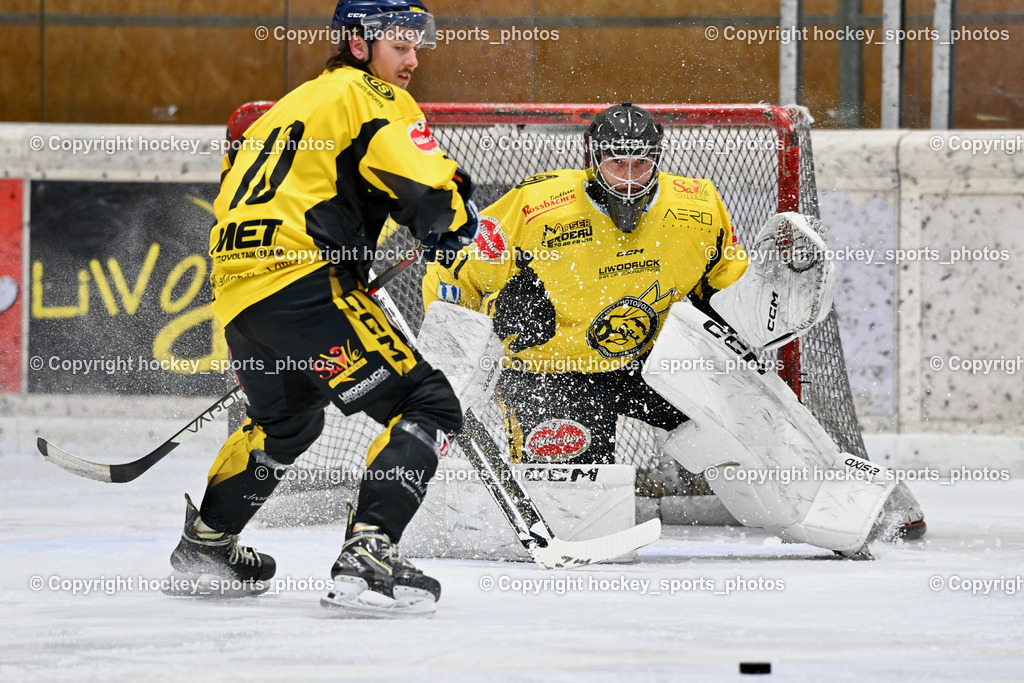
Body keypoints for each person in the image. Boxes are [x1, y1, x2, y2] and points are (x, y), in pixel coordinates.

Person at [168, 0, 477, 616]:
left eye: (417, 47)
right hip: (306, 283)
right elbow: (425, 187)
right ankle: (368, 554)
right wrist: (456, 220)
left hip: (239, 294)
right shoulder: (374, 98)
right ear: (360, 46)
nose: (412, 61)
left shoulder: (284, 108)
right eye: (399, 47)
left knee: (290, 422)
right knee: (427, 403)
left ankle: (207, 545)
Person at [422, 102, 747, 466]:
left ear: (657, 160)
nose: (628, 178)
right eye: (617, 163)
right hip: (550, 373)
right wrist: (450, 363)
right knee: (575, 496)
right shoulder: (537, 205)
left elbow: (729, 286)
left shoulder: (697, 206)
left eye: (640, 164)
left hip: (651, 366)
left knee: (742, 428)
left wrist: (765, 300)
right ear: (594, 159)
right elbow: (454, 271)